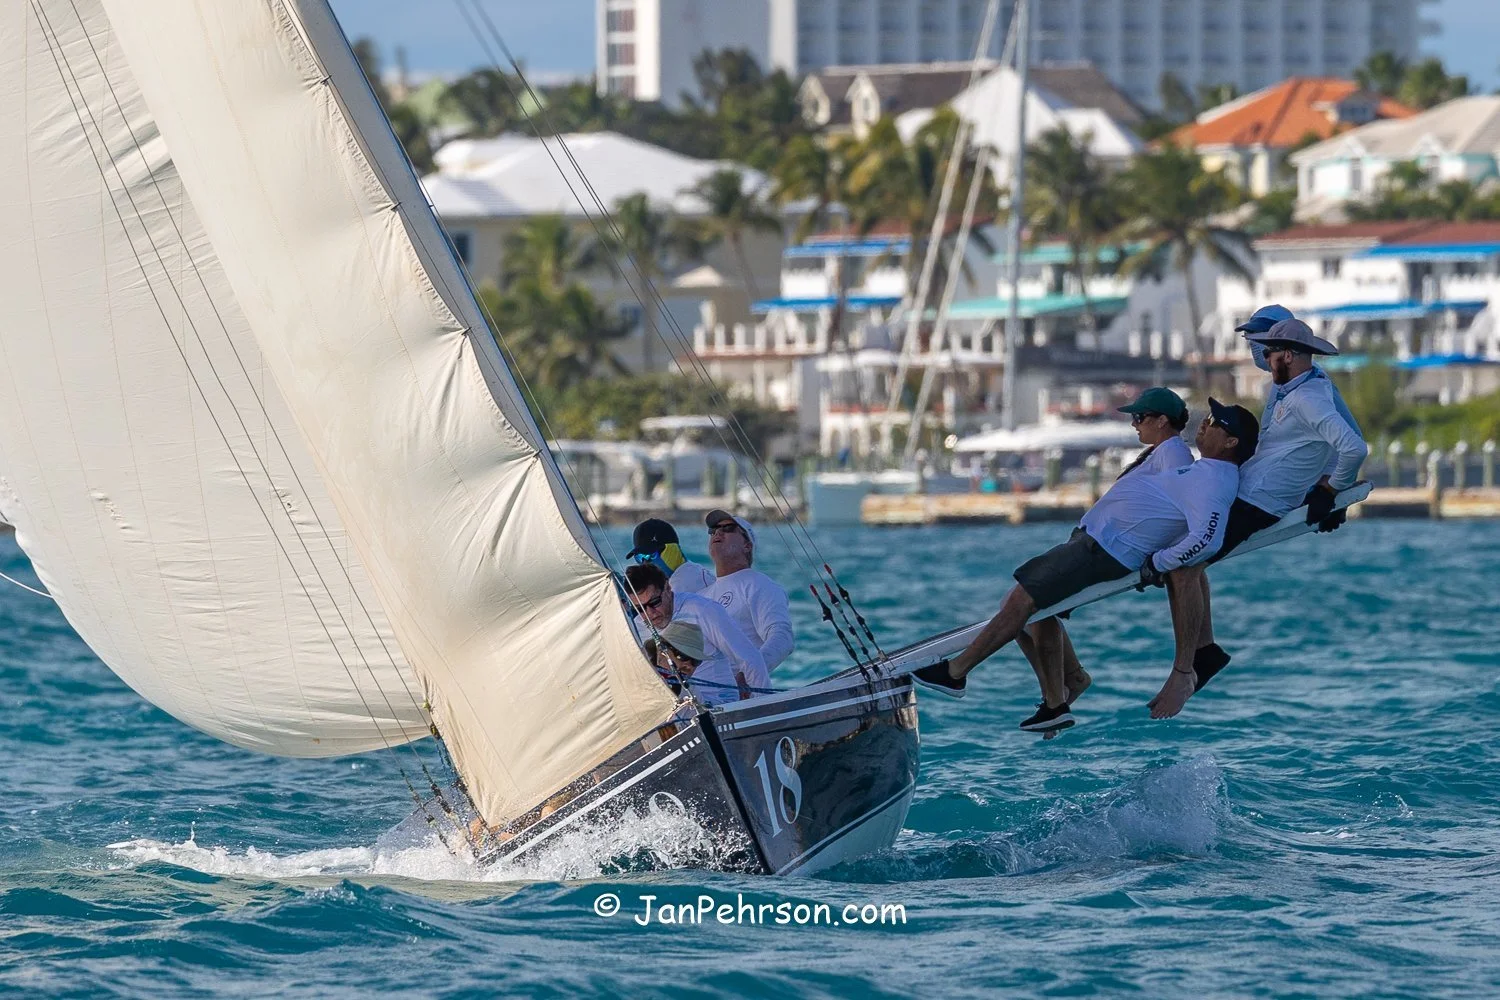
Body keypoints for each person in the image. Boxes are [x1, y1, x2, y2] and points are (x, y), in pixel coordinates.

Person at [913, 400, 1260, 733]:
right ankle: (1058, 700)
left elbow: (1208, 539)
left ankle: (956, 673)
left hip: (1106, 550)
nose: (1206, 423)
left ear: (1231, 442)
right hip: (1098, 542)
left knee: (1021, 601)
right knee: (1028, 609)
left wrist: (1160, 562)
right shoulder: (1205, 470)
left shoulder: (1214, 479)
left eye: (1215, 423)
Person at [1166, 315, 1369, 701]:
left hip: (1259, 503)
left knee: (1183, 565)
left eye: (1268, 350)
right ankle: (1204, 649)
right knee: (1185, 559)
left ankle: (1188, 666)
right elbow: (1296, 449)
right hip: (1246, 490)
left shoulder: (1310, 397)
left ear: (1287, 355)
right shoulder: (1292, 388)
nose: (1260, 354)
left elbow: (1353, 446)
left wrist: (1332, 491)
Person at [1015, 387, 1194, 713]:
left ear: (1163, 420)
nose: (1134, 424)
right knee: (1031, 615)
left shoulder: (1175, 455)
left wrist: (1162, 558)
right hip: (1092, 539)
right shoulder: (1159, 452)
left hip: (1109, 548)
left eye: (1139, 417)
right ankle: (1068, 685)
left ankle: (1056, 700)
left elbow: (1177, 511)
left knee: (1029, 607)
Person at [624, 563, 770, 704]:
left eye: (655, 602)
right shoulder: (637, 626)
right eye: (640, 608)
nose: (650, 613)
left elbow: (750, 659)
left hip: (719, 705)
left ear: (668, 588)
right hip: (675, 710)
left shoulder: (702, 610)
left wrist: (763, 707)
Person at [699, 509, 796, 672]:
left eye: (728, 528)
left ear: (747, 545)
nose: (718, 533)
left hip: (739, 693)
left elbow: (783, 638)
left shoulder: (759, 585)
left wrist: (749, 674)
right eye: (713, 530)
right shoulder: (701, 596)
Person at [653, 621, 756, 706]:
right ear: (662, 650)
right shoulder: (640, 672)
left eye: (695, 661)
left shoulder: (690, 692)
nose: (689, 666)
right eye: (683, 656)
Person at [626, 517, 715, 594]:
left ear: (673, 549)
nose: (645, 562)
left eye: (651, 555)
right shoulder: (690, 570)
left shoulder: (683, 585)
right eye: (640, 557)